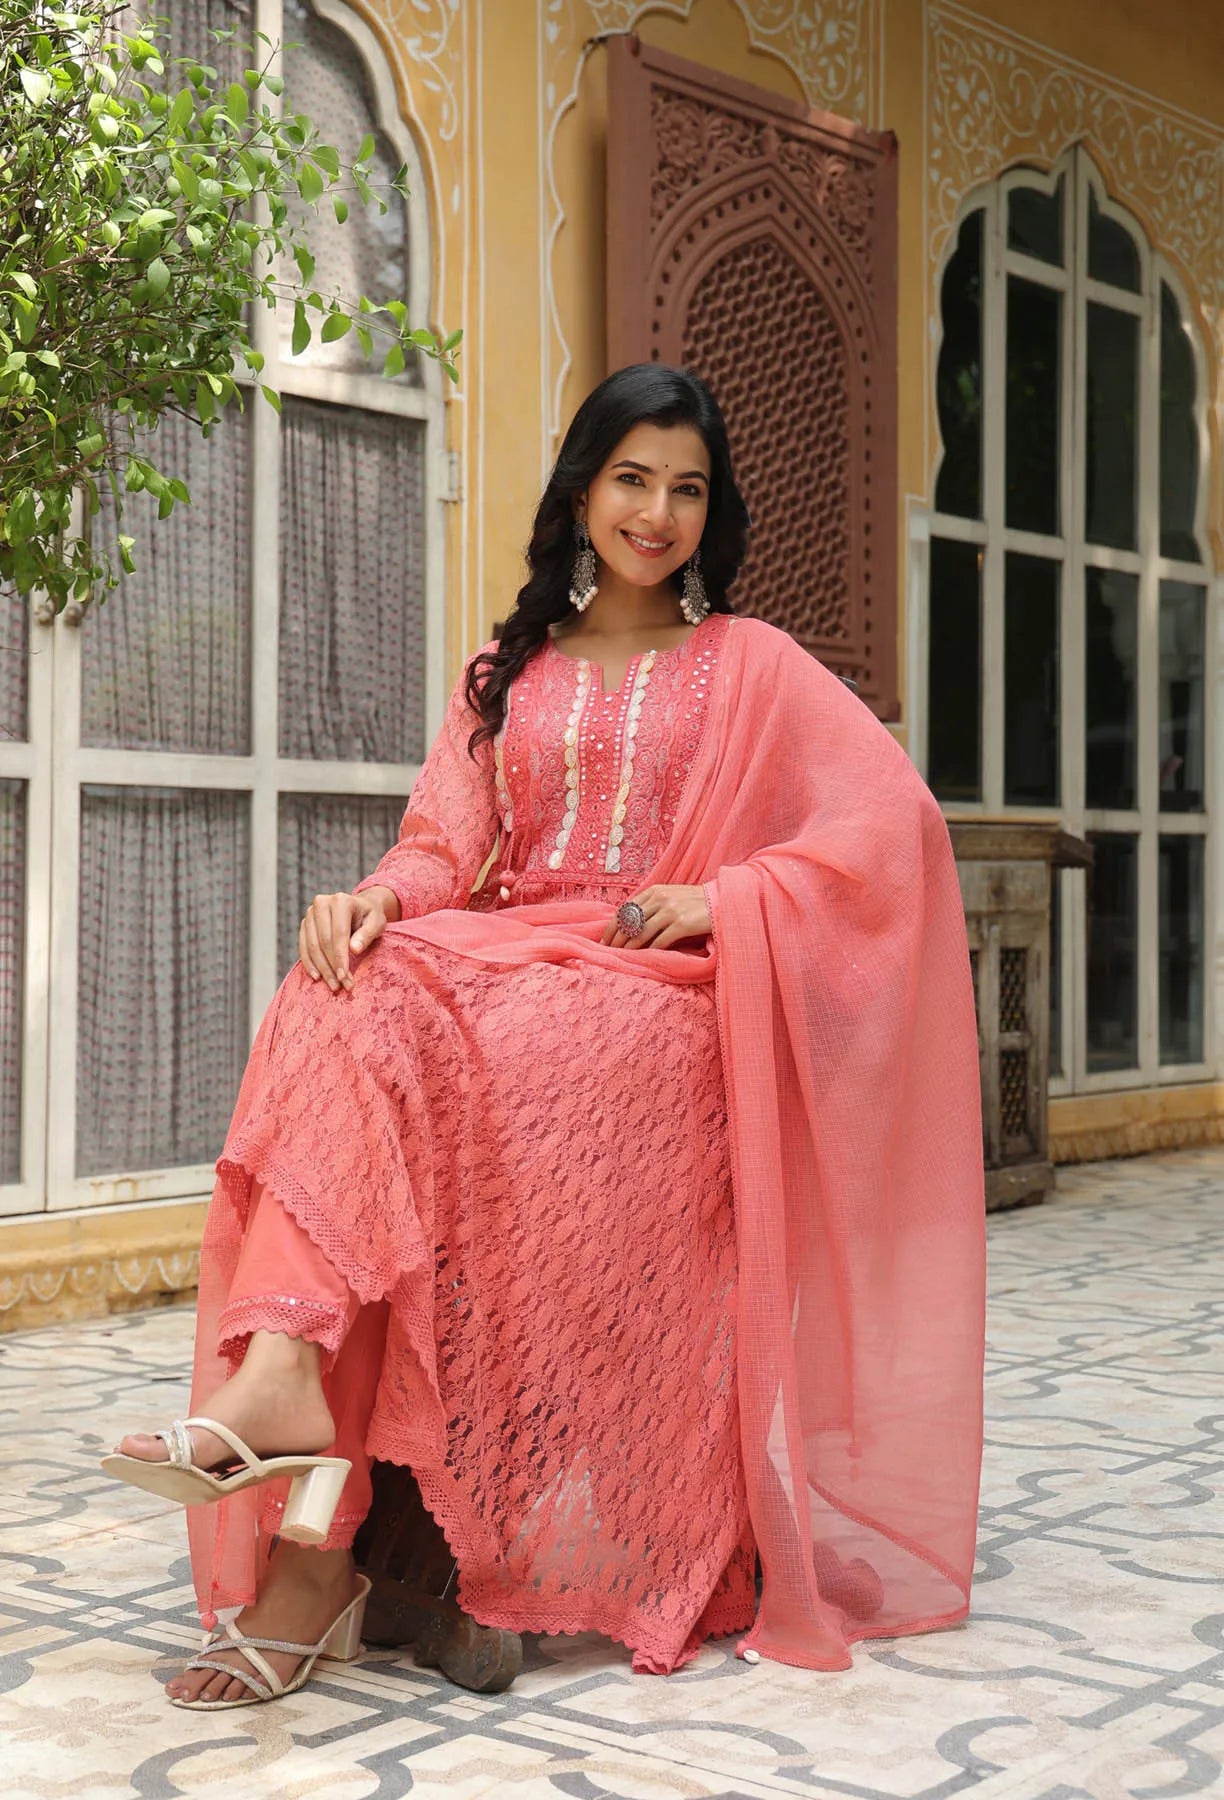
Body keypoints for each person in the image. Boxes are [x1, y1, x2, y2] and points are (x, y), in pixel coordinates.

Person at [106, 363, 987, 1710]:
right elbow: (442, 847)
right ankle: (282, 1374)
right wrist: (372, 900)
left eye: (687, 488)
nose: (658, 511)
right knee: (340, 987)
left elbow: (892, 829)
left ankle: (314, 1557)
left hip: (654, 992)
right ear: (583, 488)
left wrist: (728, 894)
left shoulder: (750, 664)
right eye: (633, 477)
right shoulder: (508, 672)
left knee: (470, 1044)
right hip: (503, 959)